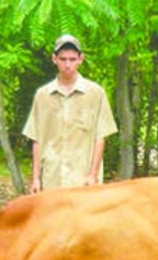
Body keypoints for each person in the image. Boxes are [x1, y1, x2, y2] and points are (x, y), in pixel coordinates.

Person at [23, 34, 118, 193]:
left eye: (72, 59)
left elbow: (100, 138)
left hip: (82, 181)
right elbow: (36, 139)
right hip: (52, 180)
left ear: (81, 59)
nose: (68, 65)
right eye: (63, 59)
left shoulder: (95, 94)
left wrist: (92, 175)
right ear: (54, 59)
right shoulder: (42, 96)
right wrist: (35, 179)